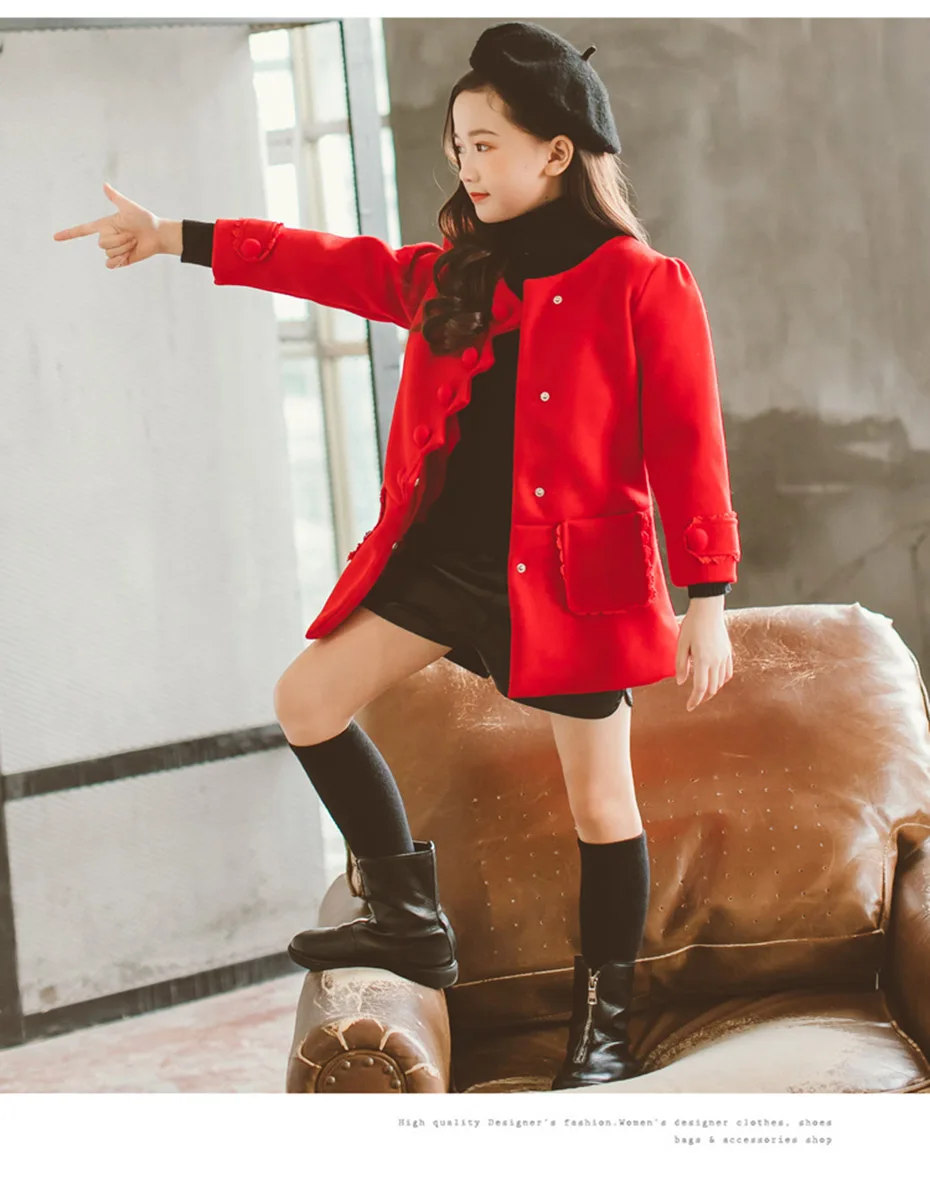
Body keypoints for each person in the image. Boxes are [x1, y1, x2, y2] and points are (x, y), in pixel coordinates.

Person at [52, 21, 740, 1090]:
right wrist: (175, 235)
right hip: (445, 569)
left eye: (487, 144)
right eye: (458, 146)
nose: (468, 165)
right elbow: (328, 263)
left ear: (557, 151)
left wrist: (708, 597)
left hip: (573, 583)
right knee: (307, 699)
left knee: (604, 808)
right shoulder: (452, 275)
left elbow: (689, 443)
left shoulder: (642, 282)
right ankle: (409, 917)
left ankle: (602, 1031)